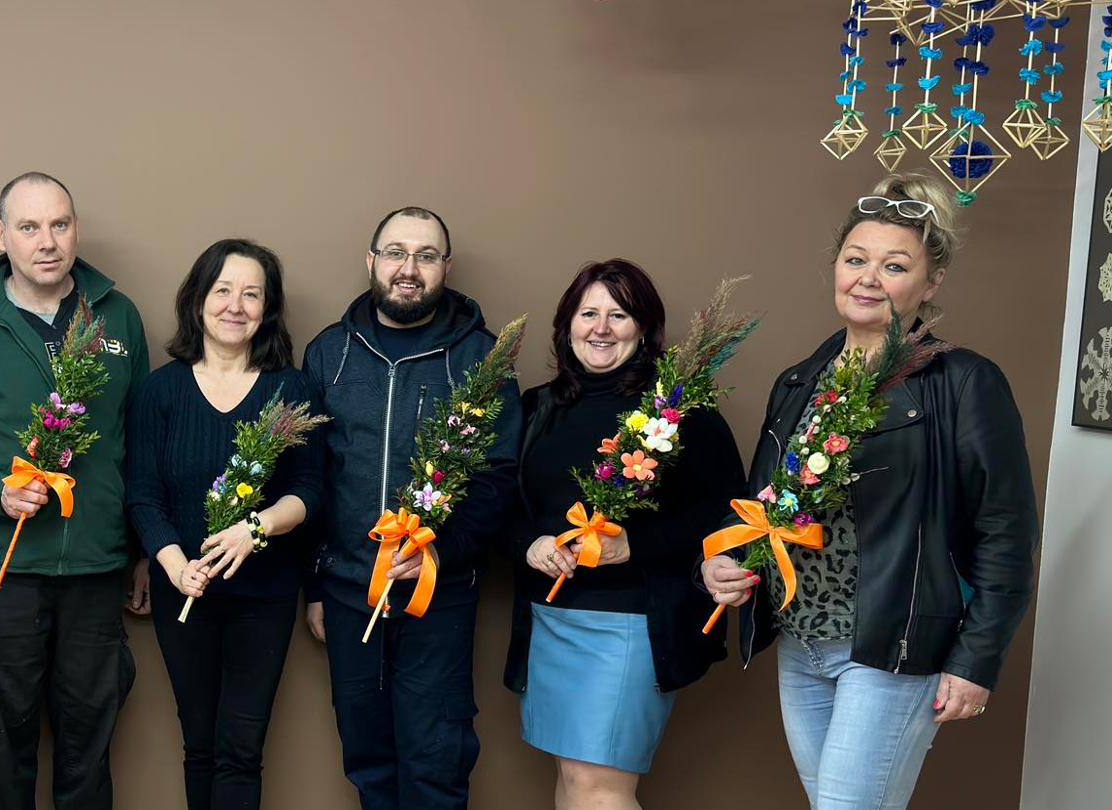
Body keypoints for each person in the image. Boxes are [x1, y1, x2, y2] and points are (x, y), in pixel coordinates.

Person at [701, 173, 1040, 810]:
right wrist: (721, 566)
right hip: (801, 644)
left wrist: (976, 659)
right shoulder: (800, 380)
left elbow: (1008, 532)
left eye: (894, 265)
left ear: (930, 284)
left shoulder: (964, 382)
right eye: (856, 259)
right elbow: (762, 511)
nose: (868, 278)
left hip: (891, 646)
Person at [0, 172, 151, 809]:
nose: (48, 241)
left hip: (97, 568)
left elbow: (138, 440)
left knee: (89, 753)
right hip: (4, 569)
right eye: (29, 227)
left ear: (76, 230)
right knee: (4, 750)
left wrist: (142, 549)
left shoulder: (118, 316)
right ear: (1, 235)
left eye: (60, 225)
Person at [300, 206, 521, 809]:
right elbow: (312, 476)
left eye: (425, 256)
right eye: (395, 252)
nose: (409, 268)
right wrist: (315, 585)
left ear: (445, 267)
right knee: (367, 758)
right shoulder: (328, 353)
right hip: (349, 592)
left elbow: (499, 478)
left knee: (435, 759)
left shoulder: (482, 356)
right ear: (371, 261)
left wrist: (438, 554)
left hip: (440, 592)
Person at [504, 259, 743, 809]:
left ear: (645, 328)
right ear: (567, 325)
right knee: (571, 779)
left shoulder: (681, 411)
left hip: (631, 623)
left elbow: (728, 512)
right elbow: (506, 507)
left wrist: (636, 544)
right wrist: (532, 545)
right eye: (589, 313)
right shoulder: (537, 407)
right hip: (551, 616)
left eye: (619, 314)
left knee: (598, 786)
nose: (602, 328)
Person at [124, 238, 322, 809]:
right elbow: (143, 495)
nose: (236, 305)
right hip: (182, 588)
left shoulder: (292, 389)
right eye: (223, 290)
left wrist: (255, 529)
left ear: (268, 308)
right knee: (200, 746)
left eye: (252, 294)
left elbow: (311, 491)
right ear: (198, 300)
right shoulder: (159, 391)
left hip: (266, 594)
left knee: (241, 749)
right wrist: (175, 565)